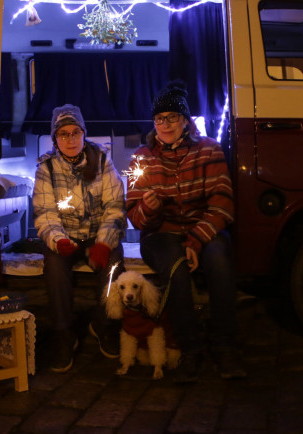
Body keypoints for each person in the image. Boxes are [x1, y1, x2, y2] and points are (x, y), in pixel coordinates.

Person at [125, 81, 247, 383]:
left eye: (171, 117)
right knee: (177, 269)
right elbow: (136, 218)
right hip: (160, 235)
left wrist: (195, 240)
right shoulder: (142, 157)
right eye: (159, 119)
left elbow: (223, 203)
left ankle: (224, 345)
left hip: (202, 228)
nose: (164, 124)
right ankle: (189, 347)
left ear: (185, 121)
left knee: (219, 258)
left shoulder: (208, 151)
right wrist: (150, 210)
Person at [33, 104, 126, 373]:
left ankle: (104, 324)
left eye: (75, 133)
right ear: (55, 139)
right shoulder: (46, 169)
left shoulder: (103, 163)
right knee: (54, 268)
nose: (70, 140)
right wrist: (58, 240)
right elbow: (45, 213)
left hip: (98, 236)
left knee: (113, 266)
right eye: (63, 134)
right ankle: (64, 333)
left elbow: (115, 207)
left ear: (84, 134)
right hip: (65, 239)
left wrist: (104, 242)